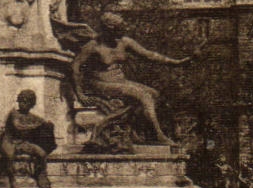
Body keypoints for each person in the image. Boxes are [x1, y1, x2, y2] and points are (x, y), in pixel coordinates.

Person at [69, 12, 190, 146]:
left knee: (155, 94)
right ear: (109, 29)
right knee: (143, 95)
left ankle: (143, 133)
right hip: (100, 83)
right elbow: (75, 66)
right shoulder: (93, 46)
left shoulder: (124, 42)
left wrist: (176, 63)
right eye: (119, 29)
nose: (123, 31)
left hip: (120, 82)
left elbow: (149, 55)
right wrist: (80, 93)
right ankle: (158, 135)